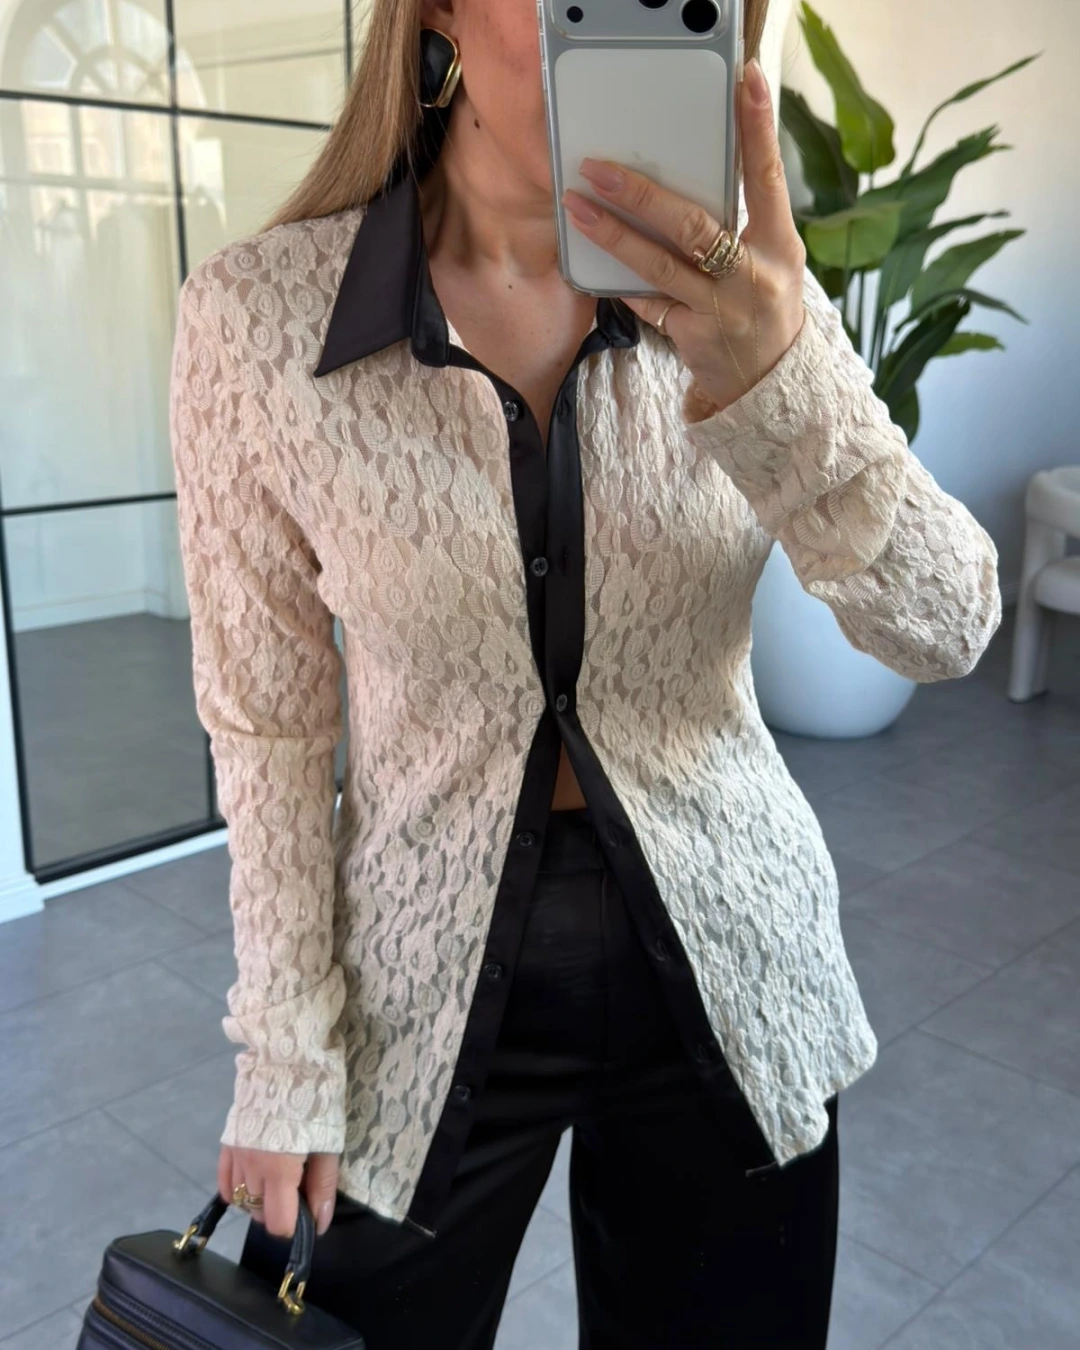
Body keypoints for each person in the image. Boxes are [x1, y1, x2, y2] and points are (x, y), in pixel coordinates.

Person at [167, 0, 1002, 1345]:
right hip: (413, 996)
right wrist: (282, 1049)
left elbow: (947, 626)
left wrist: (780, 381)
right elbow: (266, 723)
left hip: (733, 969)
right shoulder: (257, 321)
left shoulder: (754, 300)